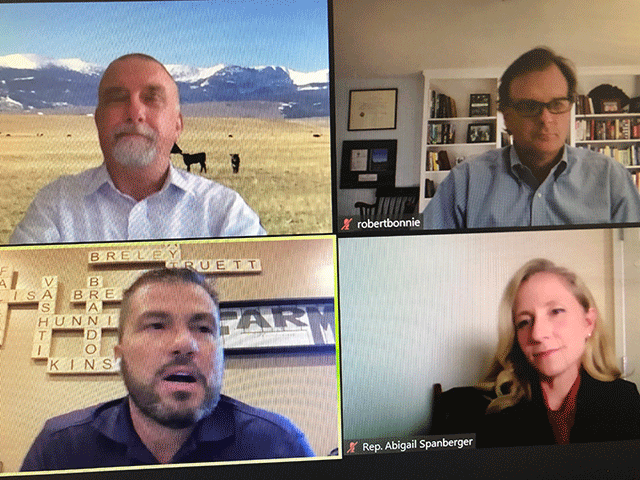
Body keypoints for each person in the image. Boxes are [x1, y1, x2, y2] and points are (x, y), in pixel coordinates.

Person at [21, 268, 313, 470]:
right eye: (157, 325)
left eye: (202, 327)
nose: (185, 344)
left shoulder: (279, 445)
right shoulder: (60, 447)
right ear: (120, 354)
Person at [9, 54, 265, 244]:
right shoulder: (55, 207)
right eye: (117, 98)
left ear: (178, 125)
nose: (134, 113)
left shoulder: (225, 212)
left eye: (152, 98)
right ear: (98, 120)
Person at [423, 47, 640, 229]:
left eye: (557, 104)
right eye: (529, 106)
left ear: (569, 110)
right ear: (507, 117)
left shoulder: (611, 180)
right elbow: (428, 256)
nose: (546, 119)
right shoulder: (465, 182)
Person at [433, 259, 640, 447]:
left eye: (556, 311)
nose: (538, 334)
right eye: (524, 322)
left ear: (588, 322)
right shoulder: (479, 411)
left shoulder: (624, 400)